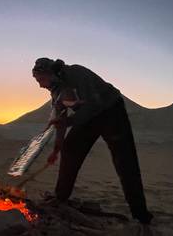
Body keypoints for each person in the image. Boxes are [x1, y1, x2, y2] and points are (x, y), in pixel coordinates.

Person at [32, 57, 154, 225]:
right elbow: (60, 122)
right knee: (69, 148)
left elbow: (92, 106)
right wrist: (56, 149)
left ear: (50, 73)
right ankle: (61, 197)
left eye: (40, 80)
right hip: (87, 118)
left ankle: (140, 214)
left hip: (111, 111)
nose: (40, 85)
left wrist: (67, 122)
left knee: (125, 161)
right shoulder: (57, 91)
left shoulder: (76, 73)